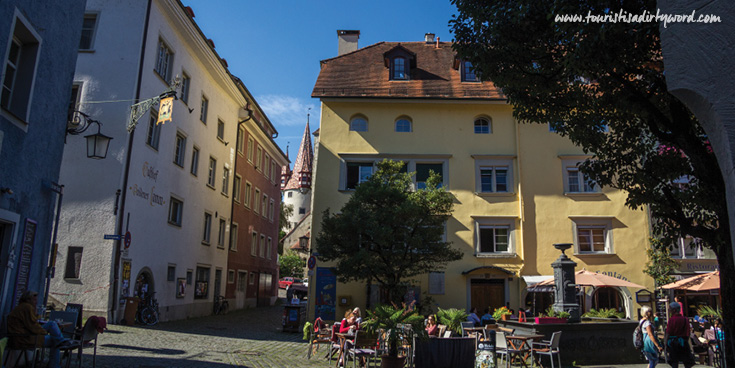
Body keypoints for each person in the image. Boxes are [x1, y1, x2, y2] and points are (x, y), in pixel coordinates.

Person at [7, 291, 70, 368]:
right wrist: (44, 332)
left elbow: (32, 321)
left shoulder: (22, 307)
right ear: (28, 300)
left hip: (20, 336)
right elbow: (32, 326)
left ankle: (61, 341)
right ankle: (55, 363)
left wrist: (36, 312)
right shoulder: (27, 307)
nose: (36, 302)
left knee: (52, 325)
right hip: (24, 338)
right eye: (34, 300)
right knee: (54, 340)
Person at [666, 302, 695, 368]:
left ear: (674, 310)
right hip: (683, 342)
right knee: (687, 362)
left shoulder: (671, 320)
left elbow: (668, 332)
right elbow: (688, 332)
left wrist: (666, 343)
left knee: (674, 362)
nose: (669, 310)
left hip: (674, 343)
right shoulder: (685, 319)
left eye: (670, 309)